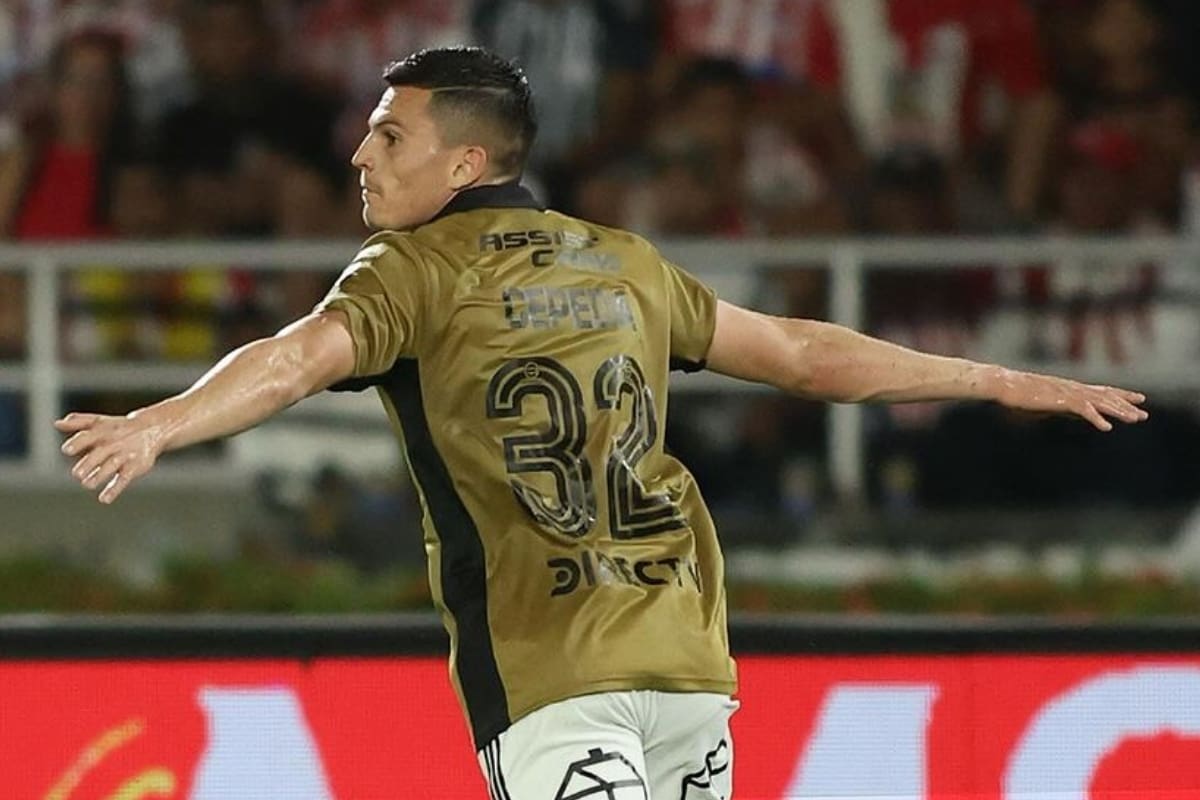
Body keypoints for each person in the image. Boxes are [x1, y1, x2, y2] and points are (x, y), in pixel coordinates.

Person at [56, 47, 1149, 798]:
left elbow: (294, 358)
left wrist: (162, 422)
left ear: (465, 164)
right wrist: (993, 375)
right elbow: (807, 355)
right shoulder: (623, 262)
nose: (362, 156)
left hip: (553, 674)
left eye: (391, 137)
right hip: (684, 658)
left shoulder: (414, 269)